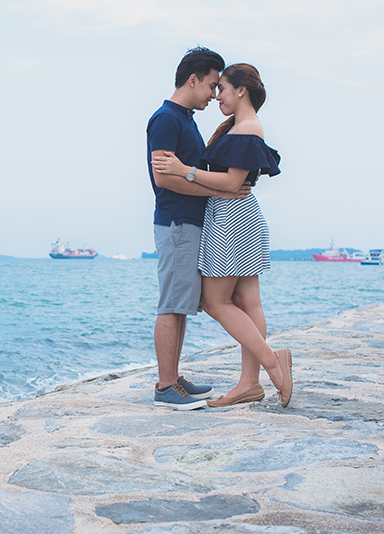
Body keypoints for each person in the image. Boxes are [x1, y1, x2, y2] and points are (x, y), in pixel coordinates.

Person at [152, 63, 292, 408]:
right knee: (247, 301)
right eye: (214, 88)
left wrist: (185, 171)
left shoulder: (245, 128)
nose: (217, 96)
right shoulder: (236, 125)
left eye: (223, 88)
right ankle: (249, 382)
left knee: (216, 301)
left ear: (240, 90)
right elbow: (228, 183)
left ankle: (273, 365)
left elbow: (231, 184)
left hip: (231, 219)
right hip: (233, 217)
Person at [147, 47, 251, 410]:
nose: (213, 93)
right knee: (172, 304)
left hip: (190, 222)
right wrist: (220, 187)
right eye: (210, 85)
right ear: (193, 80)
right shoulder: (166, 119)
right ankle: (165, 386)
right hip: (177, 221)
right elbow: (164, 180)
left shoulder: (185, 118)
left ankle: (173, 379)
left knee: (182, 303)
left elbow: (182, 172)